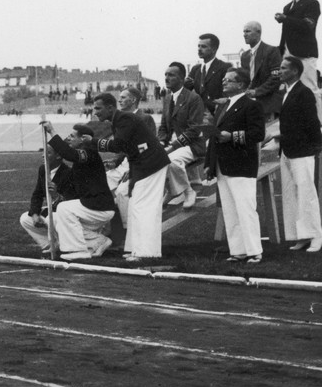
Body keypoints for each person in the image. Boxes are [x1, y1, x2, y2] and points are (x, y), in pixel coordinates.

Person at [91, 93, 170, 261]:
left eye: (98, 108)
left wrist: (93, 142)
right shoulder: (119, 119)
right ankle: (134, 248)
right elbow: (128, 148)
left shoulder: (123, 119)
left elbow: (119, 145)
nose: (95, 112)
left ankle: (147, 252)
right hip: (142, 164)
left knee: (144, 207)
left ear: (110, 107)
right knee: (135, 205)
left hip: (151, 163)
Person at [203, 68, 265, 264]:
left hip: (241, 164)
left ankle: (254, 251)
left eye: (228, 81)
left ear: (241, 84)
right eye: (223, 80)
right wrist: (209, 164)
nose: (224, 83)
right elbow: (214, 136)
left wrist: (232, 137)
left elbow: (257, 134)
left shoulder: (251, 105)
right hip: (223, 165)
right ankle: (238, 251)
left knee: (245, 208)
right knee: (230, 210)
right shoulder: (223, 107)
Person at [41, 123, 116, 260]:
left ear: (82, 139)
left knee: (64, 209)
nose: (69, 138)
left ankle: (78, 250)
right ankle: (98, 241)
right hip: (92, 207)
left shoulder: (89, 153)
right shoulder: (79, 162)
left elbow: (69, 154)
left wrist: (52, 131)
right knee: (56, 217)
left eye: (72, 136)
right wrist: (56, 196)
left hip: (100, 206)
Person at [274, 56, 322, 253]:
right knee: (291, 195)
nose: (280, 71)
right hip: (287, 150)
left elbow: (312, 123)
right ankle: (301, 236)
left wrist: (315, 147)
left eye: (283, 68)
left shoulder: (304, 93)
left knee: (306, 194)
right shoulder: (287, 93)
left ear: (294, 71)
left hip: (302, 151)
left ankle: (316, 236)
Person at [104, 86, 156, 243]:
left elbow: (148, 146)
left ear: (133, 100)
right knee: (100, 183)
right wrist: (114, 160)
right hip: (125, 162)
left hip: (139, 162)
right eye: (119, 97)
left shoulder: (145, 118)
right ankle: (106, 230)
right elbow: (122, 146)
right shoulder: (120, 120)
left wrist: (134, 168)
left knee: (122, 191)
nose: (119, 100)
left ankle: (128, 233)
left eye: (123, 97)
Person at [276, 0, 322, 123]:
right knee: (290, 87)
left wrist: (286, 19)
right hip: (288, 52)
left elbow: (309, 25)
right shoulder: (287, 7)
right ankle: (298, 122)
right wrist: (280, 50)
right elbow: (285, 32)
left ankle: (318, 123)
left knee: (309, 86)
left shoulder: (312, 3)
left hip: (304, 52)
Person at [158, 62, 205, 209]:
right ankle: (172, 190)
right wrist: (160, 143)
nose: (166, 78)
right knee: (151, 158)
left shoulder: (193, 98)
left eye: (171, 75)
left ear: (182, 78)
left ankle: (188, 192)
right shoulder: (167, 98)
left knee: (171, 160)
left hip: (192, 144)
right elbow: (164, 126)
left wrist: (172, 147)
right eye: (165, 74)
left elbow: (194, 129)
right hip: (172, 143)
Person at [18, 144, 76, 257]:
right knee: (25, 218)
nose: (42, 155)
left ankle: (65, 244)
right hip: (51, 210)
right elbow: (37, 194)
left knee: (51, 218)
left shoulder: (68, 173)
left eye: (48, 153)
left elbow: (70, 201)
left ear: (58, 156)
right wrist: (35, 214)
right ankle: (50, 244)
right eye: (43, 152)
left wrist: (56, 195)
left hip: (64, 214)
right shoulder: (43, 170)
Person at [240, 21, 282, 122]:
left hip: (267, 103)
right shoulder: (244, 56)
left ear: (258, 32)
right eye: (244, 31)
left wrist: (257, 92)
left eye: (248, 31)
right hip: (249, 104)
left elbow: (275, 77)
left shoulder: (271, 51)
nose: (244, 34)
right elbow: (244, 78)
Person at [185, 34, 233, 119]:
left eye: (203, 47)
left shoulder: (224, 67)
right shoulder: (196, 69)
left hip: (216, 115)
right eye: (198, 46)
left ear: (214, 49)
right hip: (197, 115)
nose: (199, 49)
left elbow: (229, 93)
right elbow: (187, 92)